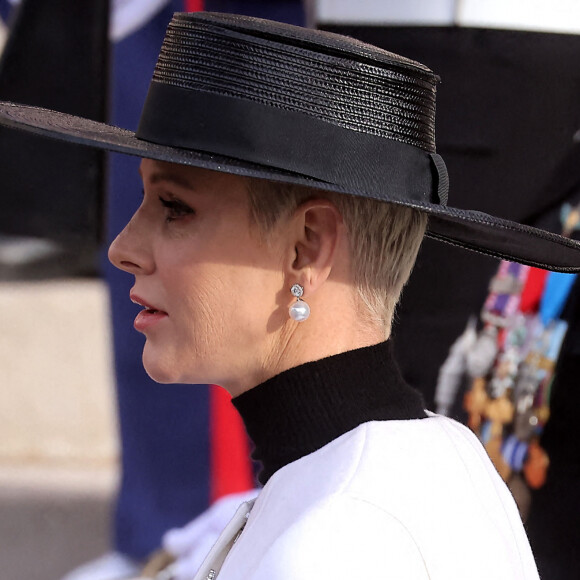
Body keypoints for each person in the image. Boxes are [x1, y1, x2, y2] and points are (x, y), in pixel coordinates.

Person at [1, 11, 579, 579]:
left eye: (175, 209)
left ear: (306, 246)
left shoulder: (330, 540)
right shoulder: (437, 460)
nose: (123, 247)